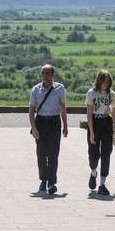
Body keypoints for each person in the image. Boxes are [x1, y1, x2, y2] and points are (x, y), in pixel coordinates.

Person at [28, 64, 67, 194]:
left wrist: (65, 125)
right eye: (44, 73)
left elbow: (63, 108)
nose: (46, 75)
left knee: (53, 153)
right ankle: (43, 180)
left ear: (52, 74)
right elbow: (31, 110)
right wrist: (34, 128)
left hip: (54, 122)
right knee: (41, 153)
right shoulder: (36, 90)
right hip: (41, 122)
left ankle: (51, 182)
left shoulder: (60, 88)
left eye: (48, 73)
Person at [86, 71, 115, 196]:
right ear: (99, 81)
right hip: (94, 121)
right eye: (103, 81)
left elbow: (114, 110)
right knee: (93, 152)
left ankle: (102, 183)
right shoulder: (91, 93)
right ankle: (93, 172)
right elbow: (89, 113)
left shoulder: (111, 94)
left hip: (106, 122)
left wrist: (114, 126)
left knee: (106, 152)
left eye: (108, 82)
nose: (105, 84)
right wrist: (92, 132)